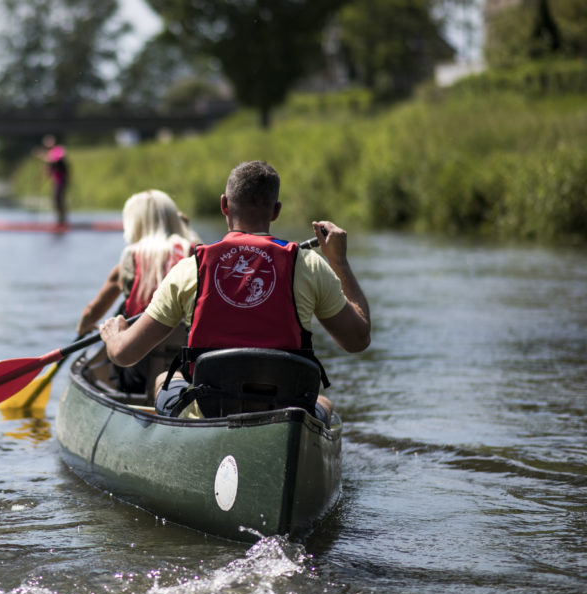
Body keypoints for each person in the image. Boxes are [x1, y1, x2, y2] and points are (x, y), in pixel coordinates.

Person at [98, 160, 371, 419]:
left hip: (210, 410)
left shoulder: (190, 268)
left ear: (224, 205)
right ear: (276, 211)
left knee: (163, 381)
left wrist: (113, 336)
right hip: (286, 410)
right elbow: (358, 340)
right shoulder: (310, 265)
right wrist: (339, 261)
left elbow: (125, 355)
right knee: (323, 403)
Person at [77, 189, 201, 394]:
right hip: (188, 364)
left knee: (121, 313)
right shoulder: (198, 253)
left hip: (138, 366)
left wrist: (83, 329)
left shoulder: (129, 260)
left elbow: (92, 312)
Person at [36, 135, 69, 226]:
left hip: (62, 179)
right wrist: (40, 179)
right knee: (55, 198)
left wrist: (42, 156)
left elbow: (56, 159)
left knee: (58, 197)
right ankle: (60, 219)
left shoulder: (59, 150)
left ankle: (62, 219)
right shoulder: (49, 153)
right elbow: (47, 168)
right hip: (56, 180)